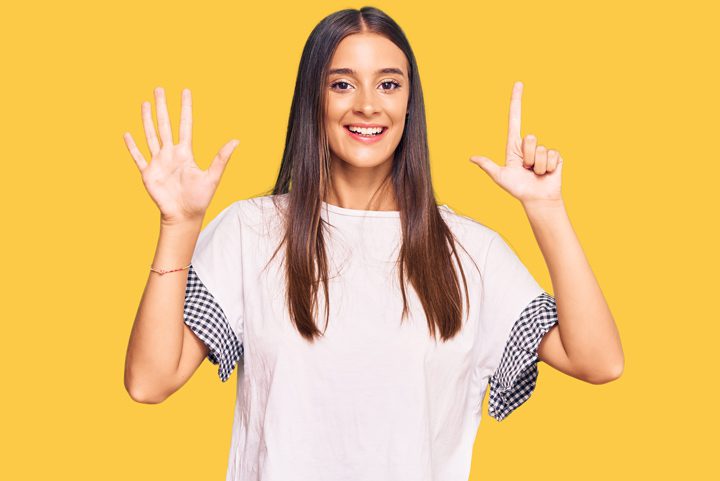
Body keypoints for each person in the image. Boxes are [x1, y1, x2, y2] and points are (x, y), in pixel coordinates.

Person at [122, 6, 624, 481]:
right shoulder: (250, 233)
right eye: (342, 84)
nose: (367, 104)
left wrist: (546, 210)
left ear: (410, 101)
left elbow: (599, 361)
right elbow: (149, 381)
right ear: (313, 99)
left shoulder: (469, 252)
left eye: (388, 84)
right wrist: (179, 226)